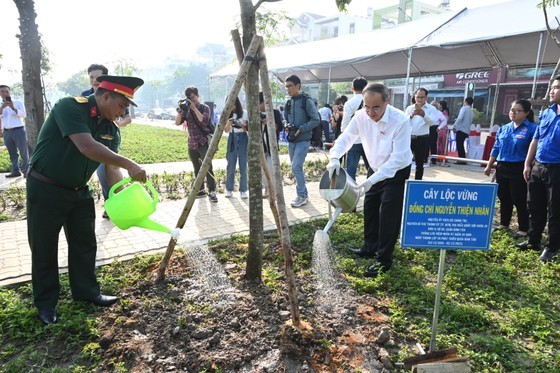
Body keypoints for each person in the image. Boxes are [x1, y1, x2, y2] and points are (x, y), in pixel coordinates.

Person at [27, 75, 147, 325]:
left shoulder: (109, 128)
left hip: (79, 192)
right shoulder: (70, 107)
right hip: (46, 188)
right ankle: (46, 304)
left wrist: (121, 198)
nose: (123, 112)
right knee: (44, 247)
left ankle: (86, 293)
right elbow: (87, 147)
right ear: (105, 96)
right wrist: (130, 163)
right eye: (122, 106)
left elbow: (110, 166)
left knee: (84, 243)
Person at [326, 83, 412, 277]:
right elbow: (345, 138)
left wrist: (372, 180)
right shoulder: (360, 116)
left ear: (386, 101)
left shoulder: (400, 121)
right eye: (367, 106)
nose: (371, 112)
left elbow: (398, 158)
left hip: (396, 169)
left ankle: (384, 260)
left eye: (376, 107)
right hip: (375, 167)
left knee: (388, 212)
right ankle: (369, 247)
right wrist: (334, 158)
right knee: (371, 205)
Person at [517, 76, 560, 262]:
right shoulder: (547, 112)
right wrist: (528, 163)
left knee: (555, 210)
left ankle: (552, 247)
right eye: (552, 87)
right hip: (539, 166)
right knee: (534, 205)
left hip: (557, 169)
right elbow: (536, 139)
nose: (551, 90)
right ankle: (533, 240)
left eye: (556, 87)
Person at [82, 64, 132, 218]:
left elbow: (127, 118)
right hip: (87, 140)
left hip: (107, 137)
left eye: (97, 77)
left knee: (106, 171)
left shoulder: (116, 95)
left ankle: (113, 204)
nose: (94, 80)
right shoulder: (82, 98)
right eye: (91, 77)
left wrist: (115, 123)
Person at [484, 99, 536, 238]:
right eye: (512, 110)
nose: (513, 113)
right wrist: (489, 165)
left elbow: (535, 150)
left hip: (519, 167)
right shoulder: (504, 128)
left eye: (517, 110)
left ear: (526, 113)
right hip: (503, 166)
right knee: (504, 196)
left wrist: (530, 166)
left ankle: (523, 228)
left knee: (519, 198)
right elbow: (496, 148)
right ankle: (504, 224)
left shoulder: (532, 129)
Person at [175, 86, 218, 203]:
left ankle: (212, 191)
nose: (191, 100)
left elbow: (203, 120)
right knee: (197, 168)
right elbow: (177, 123)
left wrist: (194, 108)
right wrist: (180, 113)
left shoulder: (205, 108)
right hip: (192, 143)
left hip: (203, 142)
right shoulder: (186, 109)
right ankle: (200, 190)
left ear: (198, 95)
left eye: (193, 97)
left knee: (208, 167)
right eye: (189, 98)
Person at [283, 75, 320, 208]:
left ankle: (302, 195)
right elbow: (286, 118)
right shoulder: (289, 102)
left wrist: (301, 129)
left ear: (298, 86)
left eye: (290, 86)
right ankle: (303, 193)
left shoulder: (306, 101)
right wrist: (287, 125)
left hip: (303, 140)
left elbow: (316, 119)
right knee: (296, 168)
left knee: (296, 166)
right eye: (286, 86)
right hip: (291, 140)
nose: (287, 89)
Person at [405, 88, 441, 179]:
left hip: (422, 138)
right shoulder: (410, 108)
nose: (419, 100)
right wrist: (411, 115)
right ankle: (405, 180)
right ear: (414, 97)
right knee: (406, 161)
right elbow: (404, 122)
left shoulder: (431, 108)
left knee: (420, 163)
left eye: (422, 97)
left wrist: (424, 115)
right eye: (417, 97)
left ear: (426, 97)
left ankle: (417, 182)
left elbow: (432, 122)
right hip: (409, 137)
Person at [341, 77, 370, 181]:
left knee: (350, 171)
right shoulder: (371, 101)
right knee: (372, 169)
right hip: (369, 140)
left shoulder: (349, 103)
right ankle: (373, 193)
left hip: (354, 141)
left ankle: (352, 195)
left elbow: (345, 124)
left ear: (352, 88)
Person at [0, 85, 28, 178]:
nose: (5, 94)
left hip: (19, 129)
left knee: (23, 151)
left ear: (9, 92)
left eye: (6, 92)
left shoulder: (18, 102)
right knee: (12, 152)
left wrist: (13, 108)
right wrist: (2, 108)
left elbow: (23, 115)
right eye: (2, 92)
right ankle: (15, 171)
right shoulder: (0, 105)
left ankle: (26, 171)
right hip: (7, 131)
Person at [259, 91, 283, 197]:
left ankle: (273, 189)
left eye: (259, 103)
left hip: (272, 146)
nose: (258, 106)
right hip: (262, 146)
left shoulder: (275, 113)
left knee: (272, 168)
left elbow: (280, 128)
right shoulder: (256, 113)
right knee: (263, 170)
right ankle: (267, 188)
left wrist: (270, 123)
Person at [224, 97, 248, 199]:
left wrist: (241, 125)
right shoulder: (226, 114)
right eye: (229, 104)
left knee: (243, 165)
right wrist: (229, 123)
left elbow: (247, 129)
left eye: (233, 104)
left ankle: (243, 190)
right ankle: (229, 189)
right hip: (232, 138)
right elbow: (225, 130)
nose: (232, 107)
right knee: (231, 165)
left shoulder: (244, 113)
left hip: (243, 137)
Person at [453, 97, 474, 164]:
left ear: (465, 102)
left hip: (461, 129)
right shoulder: (471, 111)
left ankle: (461, 159)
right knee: (461, 144)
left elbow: (460, 118)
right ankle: (462, 158)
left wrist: (455, 125)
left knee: (459, 145)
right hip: (467, 130)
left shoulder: (464, 108)